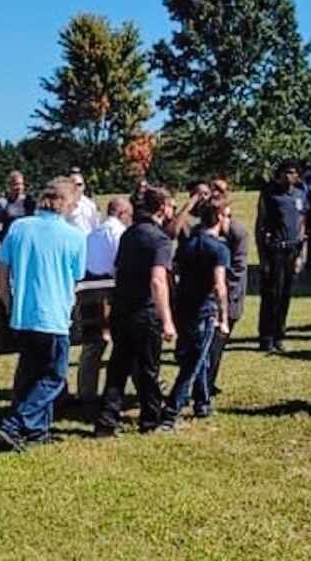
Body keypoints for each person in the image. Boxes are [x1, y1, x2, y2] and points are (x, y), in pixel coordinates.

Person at [0, 178, 87, 451]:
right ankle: (15, 422)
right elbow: (76, 278)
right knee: (54, 377)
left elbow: (2, 273)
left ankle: (36, 431)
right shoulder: (74, 236)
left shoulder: (19, 228)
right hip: (54, 315)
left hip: (23, 314)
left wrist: (9, 302)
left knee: (29, 373)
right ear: (67, 203)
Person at [95, 187, 177, 437]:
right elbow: (157, 281)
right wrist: (167, 320)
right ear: (162, 207)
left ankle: (106, 420)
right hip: (144, 312)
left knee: (118, 367)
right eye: (171, 205)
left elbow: (119, 271)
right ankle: (150, 420)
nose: (173, 210)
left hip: (122, 310)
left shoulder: (128, 234)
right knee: (149, 369)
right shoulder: (160, 239)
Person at [161, 199, 231, 427]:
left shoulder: (188, 244)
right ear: (219, 218)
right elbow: (220, 285)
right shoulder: (219, 249)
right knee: (193, 362)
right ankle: (171, 410)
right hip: (204, 310)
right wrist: (224, 317)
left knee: (198, 358)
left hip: (183, 308)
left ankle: (202, 402)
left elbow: (174, 272)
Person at [76, 197, 133, 404]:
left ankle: (86, 391)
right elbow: (120, 265)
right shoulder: (119, 233)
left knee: (91, 346)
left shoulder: (92, 234)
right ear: (122, 214)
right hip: (110, 292)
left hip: (88, 290)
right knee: (127, 343)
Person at [255, 159, 306, 353]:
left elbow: (302, 221)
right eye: (285, 172)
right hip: (274, 249)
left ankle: (279, 335)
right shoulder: (270, 195)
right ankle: (266, 337)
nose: (289, 176)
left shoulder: (300, 195)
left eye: (293, 172)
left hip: (292, 250)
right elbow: (261, 225)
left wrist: (300, 254)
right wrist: (263, 258)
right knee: (271, 295)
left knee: (285, 295)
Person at [206, 177, 249, 396]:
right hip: (209, 294)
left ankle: (208, 381)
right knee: (209, 344)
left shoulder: (237, 232)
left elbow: (238, 268)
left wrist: (224, 298)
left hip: (228, 295)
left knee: (218, 343)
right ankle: (204, 384)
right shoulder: (204, 232)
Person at [0, 170, 36, 245]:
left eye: (21, 184)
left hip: (27, 242)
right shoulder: (3, 203)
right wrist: (3, 239)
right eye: (16, 184)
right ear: (9, 185)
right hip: (11, 244)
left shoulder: (30, 202)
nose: (19, 187)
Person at [66, 170, 99, 235]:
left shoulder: (90, 204)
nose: (76, 187)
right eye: (73, 184)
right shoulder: (63, 204)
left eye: (79, 184)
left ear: (84, 186)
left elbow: (95, 225)